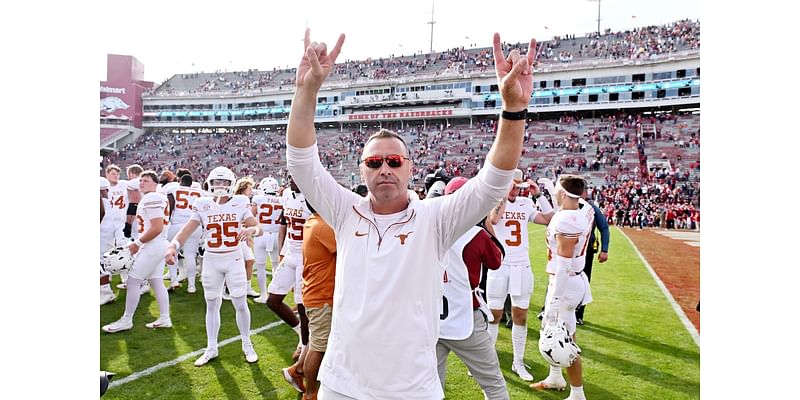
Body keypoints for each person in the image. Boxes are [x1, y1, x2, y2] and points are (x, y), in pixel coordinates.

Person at [285, 28, 535, 399]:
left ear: (409, 168)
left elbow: (493, 181)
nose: (384, 168)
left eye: (394, 160)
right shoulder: (345, 211)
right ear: (361, 170)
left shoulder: (435, 218)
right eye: (374, 162)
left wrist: (513, 110)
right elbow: (302, 162)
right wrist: (306, 92)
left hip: (413, 388)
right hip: (342, 384)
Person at [166, 166, 262, 365]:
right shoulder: (202, 204)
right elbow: (186, 230)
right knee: (211, 304)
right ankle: (211, 348)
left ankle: (247, 343)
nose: (220, 186)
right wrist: (173, 245)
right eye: (216, 182)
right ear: (209, 183)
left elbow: (258, 227)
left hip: (234, 257)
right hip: (211, 258)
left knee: (240, 302)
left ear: (231, 184)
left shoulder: (240, 202)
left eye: (224, 182)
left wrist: (252, 229)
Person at [436, 177, 508, 399]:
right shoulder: (476, 235)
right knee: (493, 383)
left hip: (432, 318)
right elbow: (497, 260)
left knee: (429, 387)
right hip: (466, 316)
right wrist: (486, 223)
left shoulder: (428, 230)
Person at [486, 169, 554, 381]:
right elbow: (494, 219)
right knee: (493, 316)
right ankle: (486, 362)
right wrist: (504, 194)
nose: (516, 189)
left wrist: (538, 195)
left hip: (521, 266)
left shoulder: (525, 203)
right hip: (500, 265)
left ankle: (518, 361)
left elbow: (549, 219)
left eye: (518, 186)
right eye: (512, 185)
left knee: (521, 316)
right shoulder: (496, 200)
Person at [531, 175, 594, 400]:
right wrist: (547, 192)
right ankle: (555, 377)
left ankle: (578, 394)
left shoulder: (567, 221)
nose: (556, 192)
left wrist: (555, 301)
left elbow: (563, 264)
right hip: (571, 281)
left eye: (557, 190)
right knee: (552, 333)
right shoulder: (582, 208)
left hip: (565, 283)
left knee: (565, 339)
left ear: (565, 194)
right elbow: (563, 209)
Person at [102, 170, 172, 333]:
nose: (142, 182)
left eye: (146, 180)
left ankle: (126, 320)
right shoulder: (154, 197)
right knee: (156, 281)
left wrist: (137, 244)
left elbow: (156, 227)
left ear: (155, 184)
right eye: (141, 180)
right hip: (158, 244)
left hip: (153, 245)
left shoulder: (152, 197)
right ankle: (165, 317)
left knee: (133, 281)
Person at [282, 200, 337, 399]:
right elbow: (348, 251)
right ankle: (311, 393)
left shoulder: (313, 221)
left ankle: (296, 370)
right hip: (322, 294)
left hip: (315, 291)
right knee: (319, 346)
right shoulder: (323, 225)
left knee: (316, 339)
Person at [267, 175, 310, 359]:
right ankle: (301, 333)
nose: (292, 180)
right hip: (291, 253)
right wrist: (282, 250)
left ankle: (306, 346)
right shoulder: (286, 194)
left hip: (306, 255)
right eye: (290, 176)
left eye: (296, 176)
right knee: (273, 300)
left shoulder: (313, 197)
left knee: (302, 305)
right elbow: (285, 223)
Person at [574, 189, 610, 325]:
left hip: (585, 249)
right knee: (557, 276)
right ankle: (549, 309)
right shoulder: (567, 205)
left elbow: (604, 227)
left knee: (583, 280)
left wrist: (604, 249)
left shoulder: (592, 208)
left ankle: (578, 314)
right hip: (567, 248)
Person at [164, 173, 204, 293]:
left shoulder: (173, 188)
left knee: (172, 253)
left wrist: (167, 222)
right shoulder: (200, 193)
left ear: (180, 181)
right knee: (190, 256)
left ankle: (174, 281)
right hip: (194, 225)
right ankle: (191, 286)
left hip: (177, 224)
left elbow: (170, 207)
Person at [251, 176, 284, 304]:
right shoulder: (282, 200)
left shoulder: (258, 198)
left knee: (260, 266)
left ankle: (264, 294)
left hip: (261, 234)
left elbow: (252, 215)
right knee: (276, 265)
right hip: (276, 235)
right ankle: (274, 293)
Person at [234, 176, 260, 298]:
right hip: (236, 235)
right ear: (243, 189)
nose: (251, 192)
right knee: (236, 263)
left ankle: (247, 287)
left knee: (249, 261)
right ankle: (229, 288)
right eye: (249, 189)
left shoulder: (245, 201)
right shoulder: (239, 200)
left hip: (244, 234)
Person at [100, 177, 118, 305]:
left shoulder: (102, 201)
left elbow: (101, 212)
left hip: (102, 232)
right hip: (108, 231)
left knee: (100, 262)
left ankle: (106, 292)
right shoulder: (107, 200)